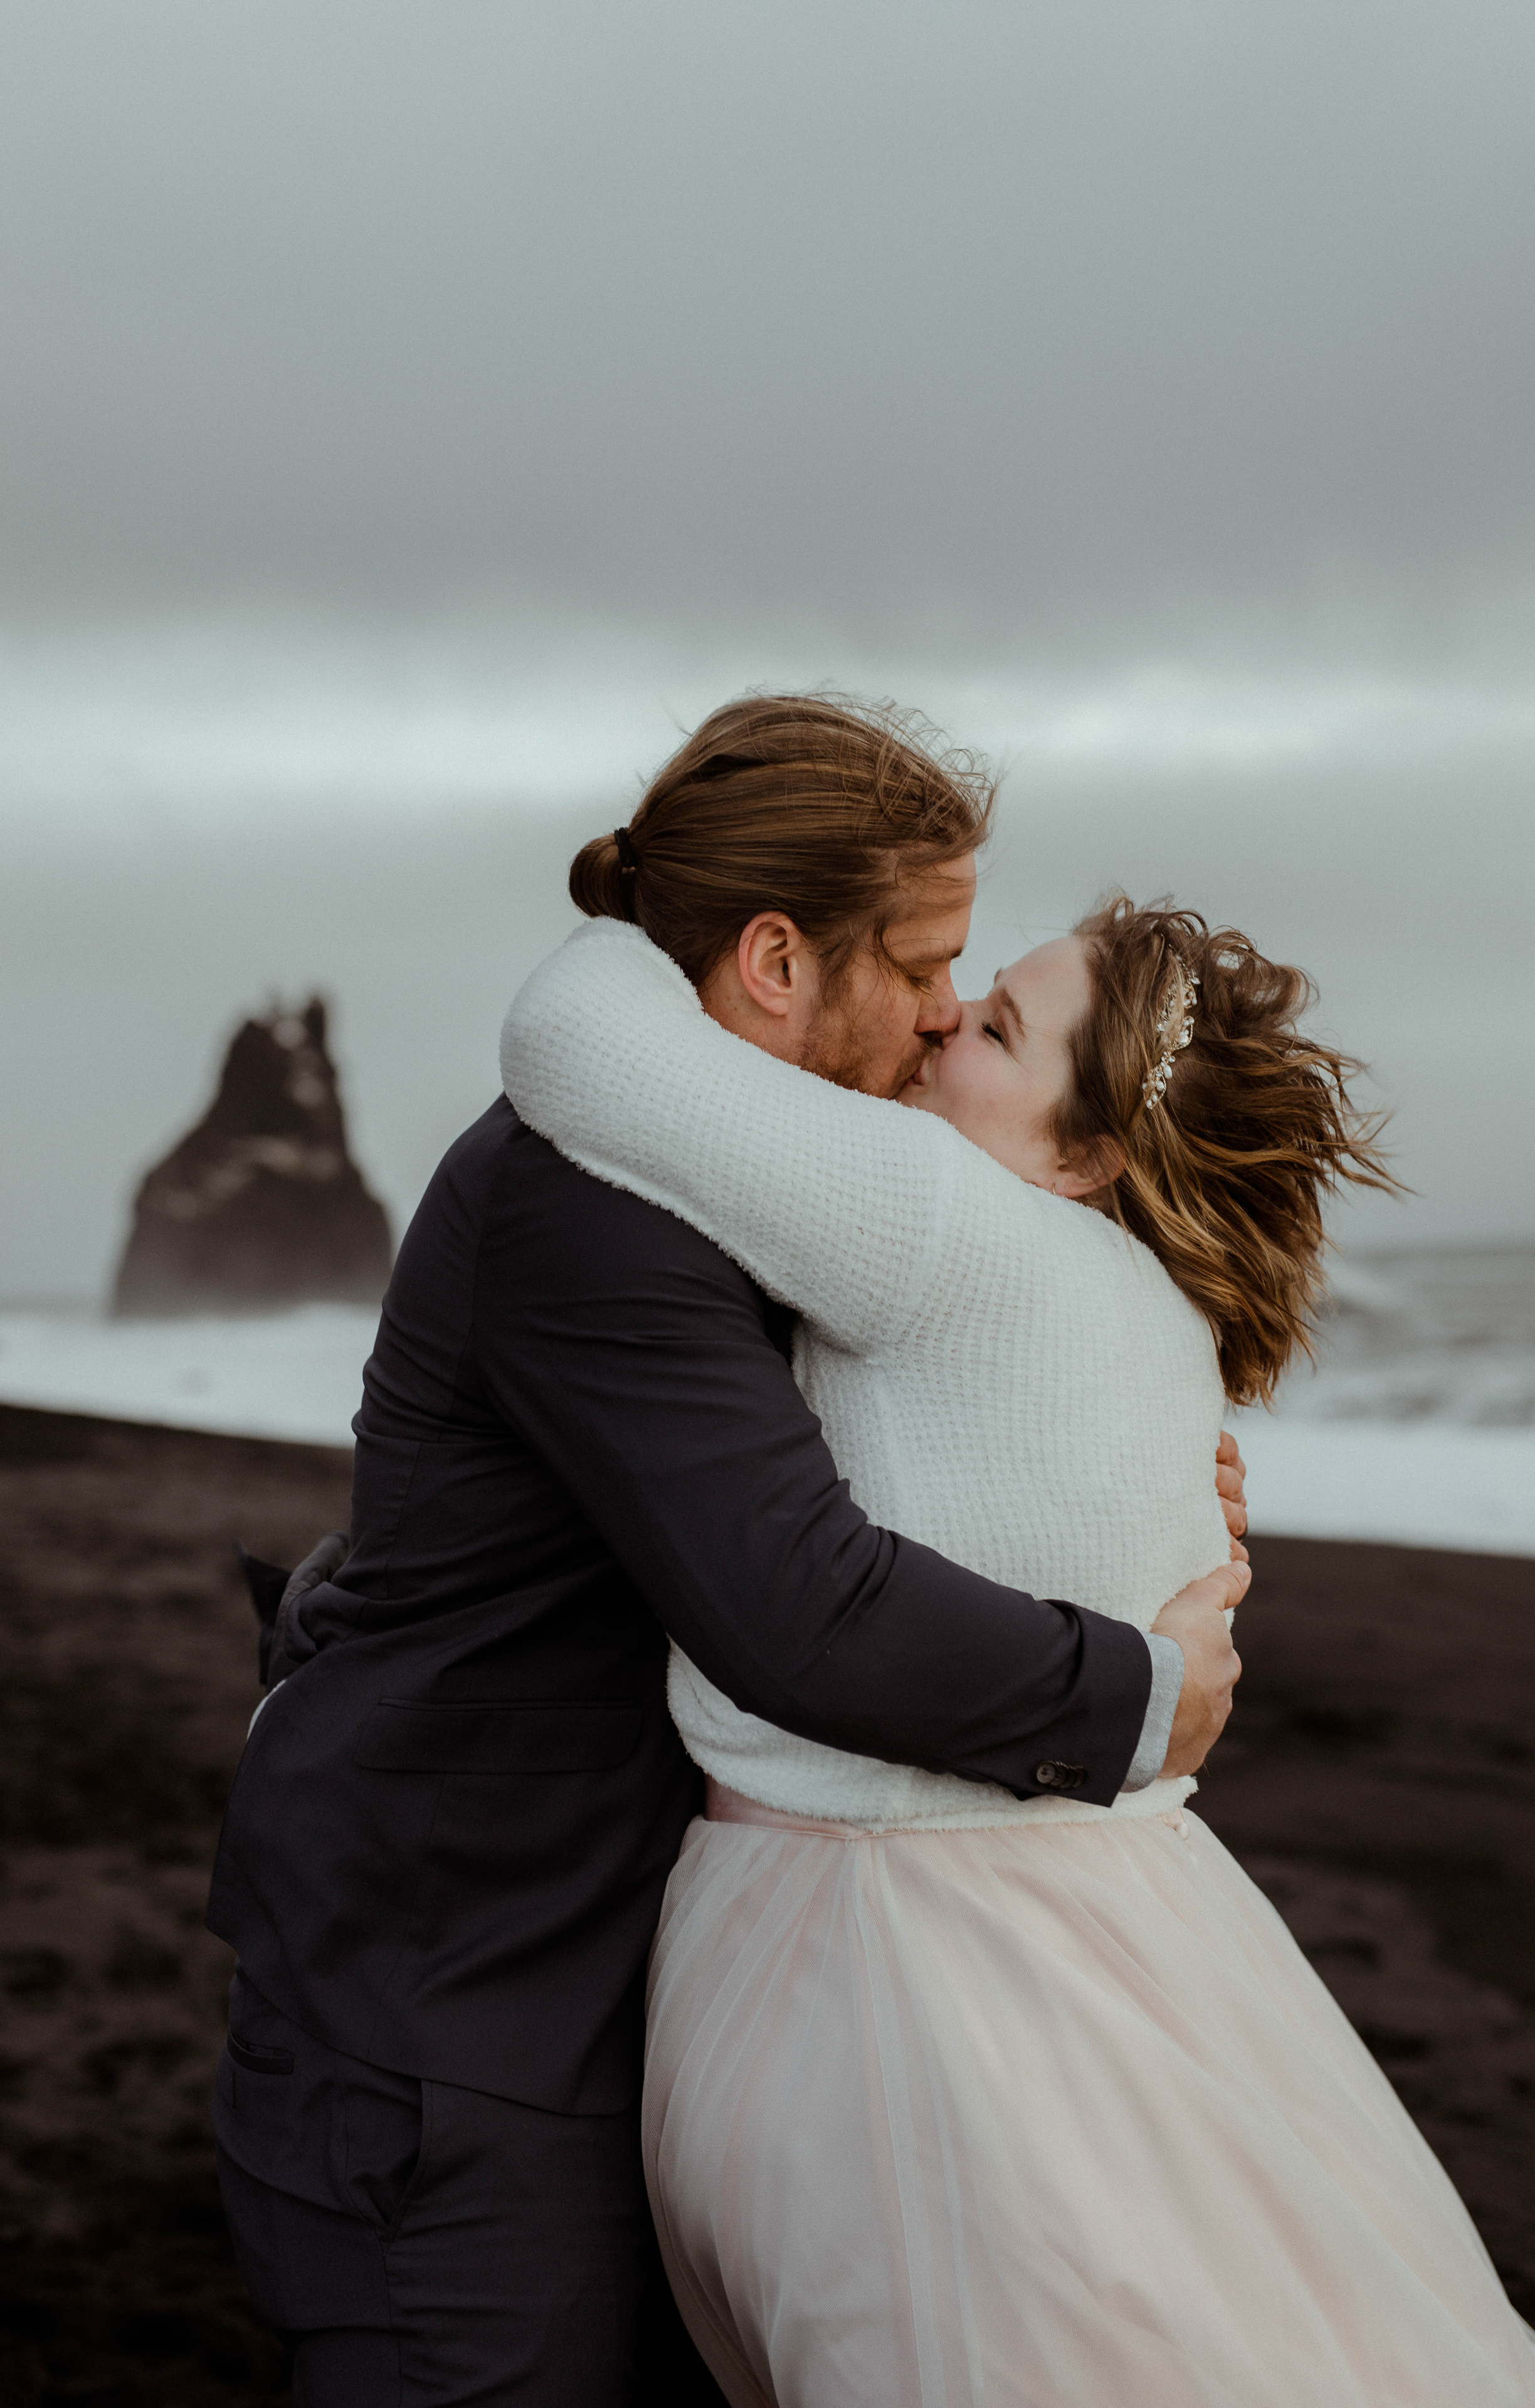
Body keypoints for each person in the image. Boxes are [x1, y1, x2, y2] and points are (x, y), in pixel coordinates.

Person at [205, 695, 1248, 2407]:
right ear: (775, 962)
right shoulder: (590, 1205)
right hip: (447, 2023)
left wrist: (1140, 1498)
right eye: (924, 964)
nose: (937, 1020)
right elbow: (801, 1603)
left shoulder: (759, 1178)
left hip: (604, 1987)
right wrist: (1136, 1691)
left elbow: (924, 1435)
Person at [502, 873, 1535, 2405]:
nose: (942, 1019)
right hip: (1133, 1942)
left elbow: (570, 1043)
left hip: (888, 1982)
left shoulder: (938, 1214)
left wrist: (644, 891)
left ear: (1082, 1154)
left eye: (996, 1026)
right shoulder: (1161, 1323)